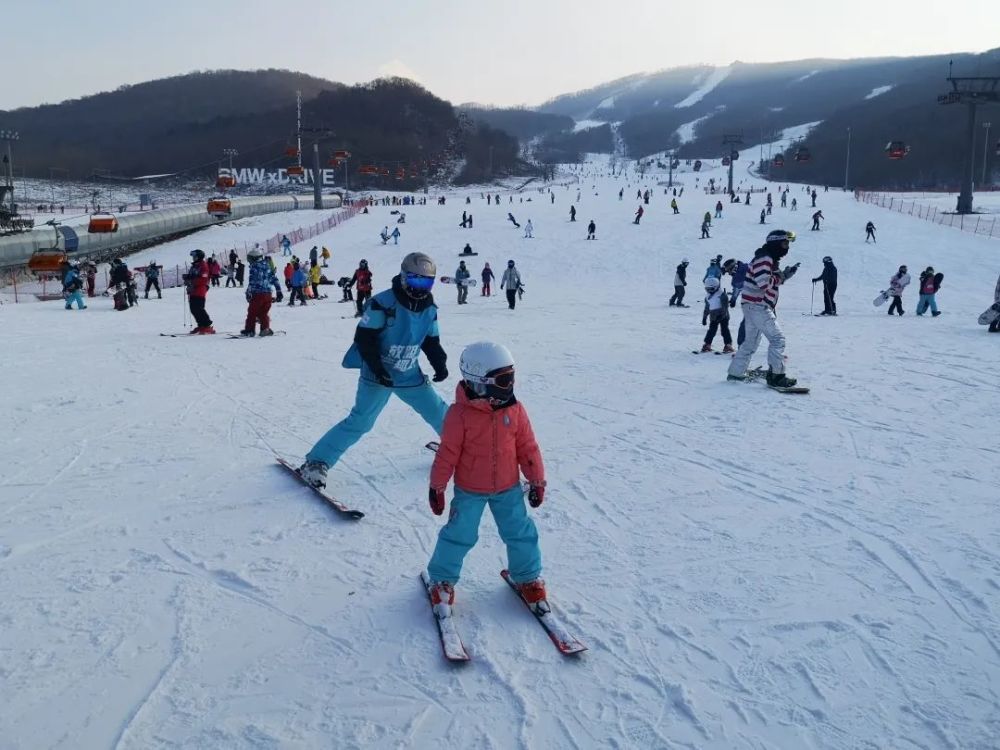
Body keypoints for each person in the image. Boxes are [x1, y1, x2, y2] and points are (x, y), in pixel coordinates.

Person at [298, 253, 449, 489]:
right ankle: (316, 462)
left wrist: (439, 362)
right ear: (403, 277)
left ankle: (461, 449)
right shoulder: (382, 303)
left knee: (439, 412)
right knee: (361, 422)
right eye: (416, 281)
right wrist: (378, 370)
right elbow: (364, 339)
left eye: (426, 283)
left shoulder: (430, 308)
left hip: (409, 373)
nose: (421, 289)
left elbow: (431, 340)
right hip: (378, 376)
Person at [425, 341, 548, 616]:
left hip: (508, 488)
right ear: (480, 381)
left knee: (521, 533)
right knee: (460, 534)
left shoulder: (514, 409)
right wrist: (438, 486)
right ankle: (442, 579)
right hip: (470, 490)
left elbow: (528, 447)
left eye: (511, 377)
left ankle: (527, 576)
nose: (510, 386)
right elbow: (447, 453)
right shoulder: (459, 415)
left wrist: (537, 480)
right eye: (503, 380)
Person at [727, 230, 800, 387]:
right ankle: (776, 376)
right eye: (785, 243)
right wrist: (780, 277)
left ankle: (736, 373)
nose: (787, 247)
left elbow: (767, 280)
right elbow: (763, 283)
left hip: (753, 305)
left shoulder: (768, 259)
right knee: (778, 340)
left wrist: (785, 275)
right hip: (758, 305)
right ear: (776, 243)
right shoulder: (765, 259)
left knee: (750, 343)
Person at [241, 247, 283, 336]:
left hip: (258, 294)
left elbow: (252, 282)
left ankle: (250, 330)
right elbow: (274, 278)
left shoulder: (254, 267)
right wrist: (278, 290)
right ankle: (265, 329)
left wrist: (248, 292)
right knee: (263, 313)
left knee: (252, 312)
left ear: (254, 258)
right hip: (268, 294)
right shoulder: (267, 266)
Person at [183, 249, 214, 333]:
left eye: (194, 256)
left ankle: (207, 324)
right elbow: (192, 275)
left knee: (198, 308)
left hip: (200, 290)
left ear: (198, 257)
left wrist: (191, 281)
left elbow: (203, 279)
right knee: (193, 308)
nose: (193, 258)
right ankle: (201, 325)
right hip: (192, 290)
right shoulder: (195, 266)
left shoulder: (203, 266)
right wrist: (187, 277)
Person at [700, 277, 733, 353]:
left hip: (723, 316)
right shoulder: (707, 297)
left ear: (717, 287)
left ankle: (728, 345)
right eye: (707, 289)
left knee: (724, 330)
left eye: (711, 289)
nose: (709, 291)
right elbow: (707, 307)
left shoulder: (722, 295)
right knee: (711, 330)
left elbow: (725, 307)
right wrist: (704, 317)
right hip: (714, 316)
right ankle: (707, 344)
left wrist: (722, 315)